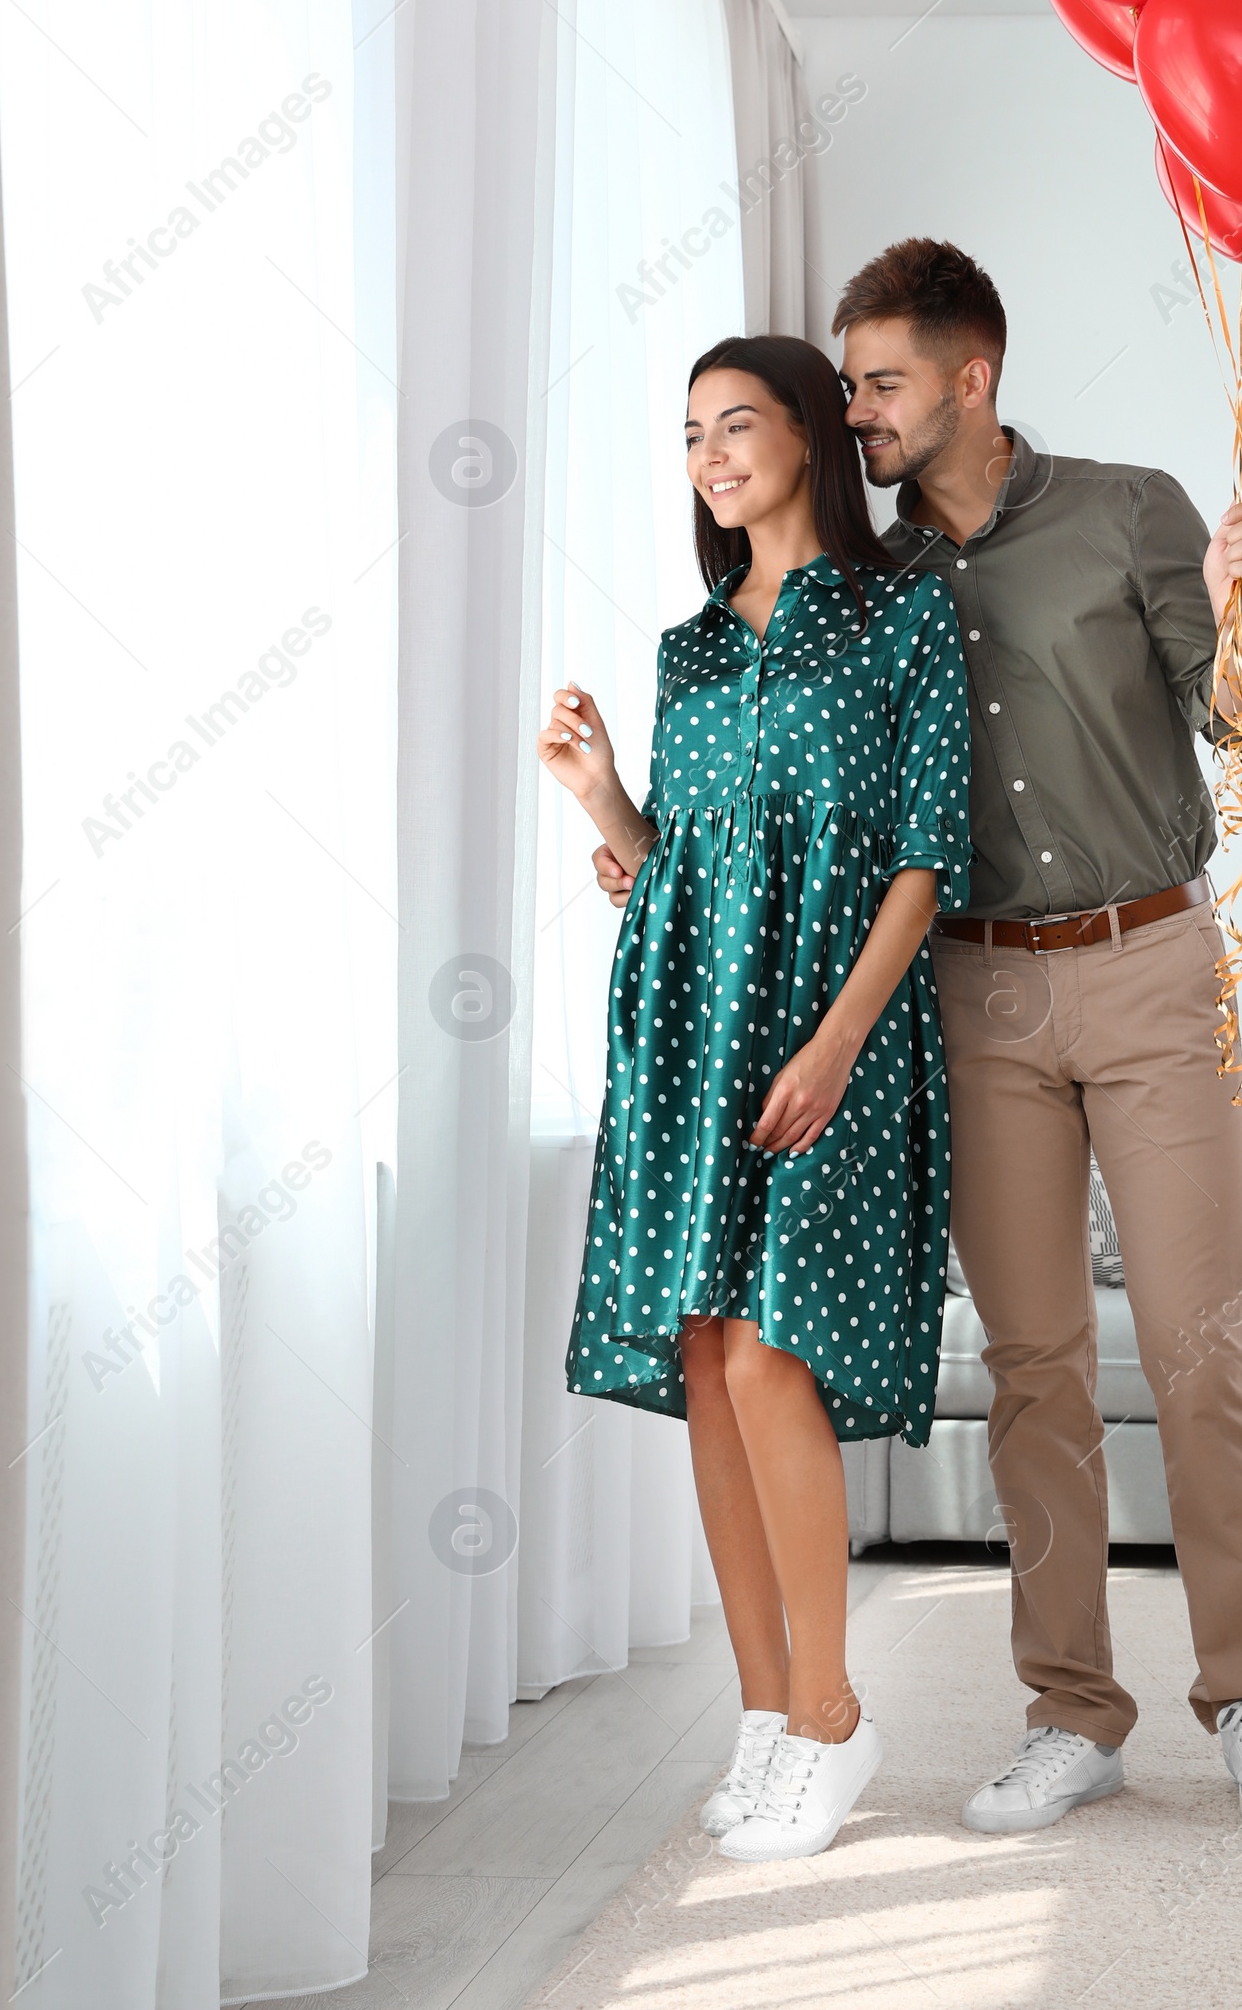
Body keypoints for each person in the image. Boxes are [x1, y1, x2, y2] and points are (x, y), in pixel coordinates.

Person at [832, 235, 1242, 1840]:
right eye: (851, 386)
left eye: (883, 382)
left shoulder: (1131, 510)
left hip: (1147, 961)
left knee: (1204, 1345)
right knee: (1033, 1366)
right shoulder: (880, 575)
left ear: (972, 379)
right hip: (972, 992)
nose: (861, 413)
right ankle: (1071, 1708)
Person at [543, 332, 970, 1863]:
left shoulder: (903, 615)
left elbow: (925, 859)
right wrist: (606, 804)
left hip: (833, 1035)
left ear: (806, 433)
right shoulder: (690, 649)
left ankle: (834, 1718)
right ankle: (766, 1709)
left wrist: (843, 1039)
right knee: (713, 1365)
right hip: (688, 1037)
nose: (710, 453)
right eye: (689, 433)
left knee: (777, 1356)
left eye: (738, 422)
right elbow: (689, 884)